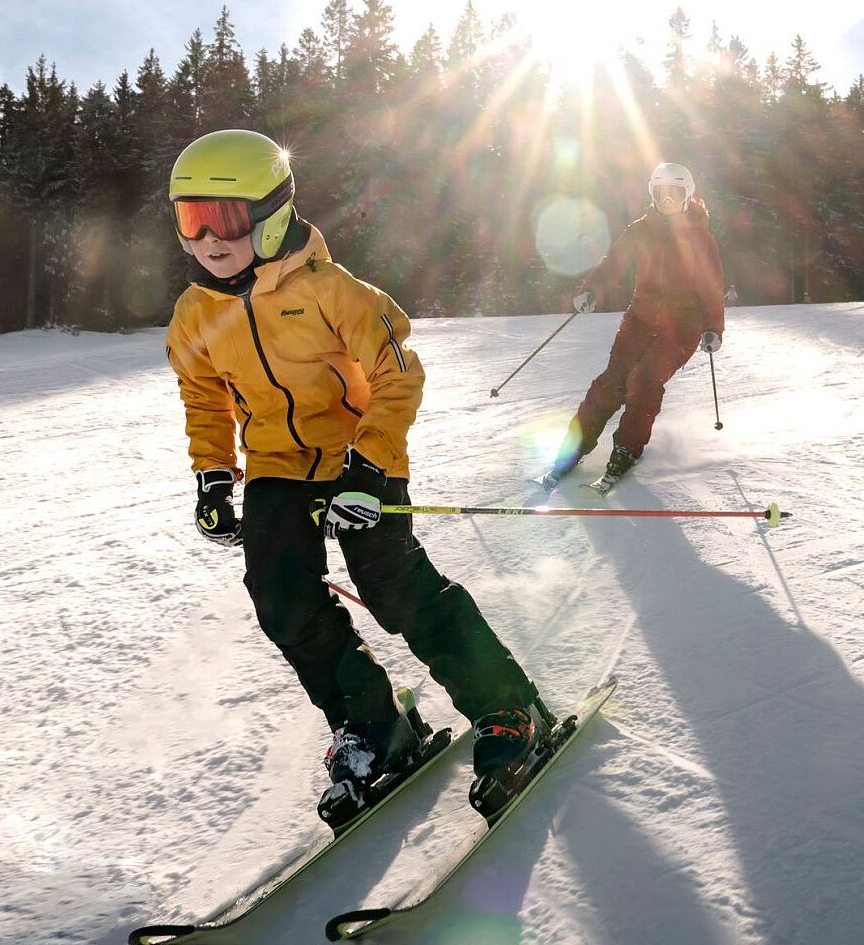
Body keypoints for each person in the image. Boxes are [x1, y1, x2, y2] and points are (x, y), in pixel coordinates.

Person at [164, 129, 543, 811]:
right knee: (281, 599)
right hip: (278, 466)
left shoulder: (334, 292)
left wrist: (368, 469)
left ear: (272, 212)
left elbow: (397, 376)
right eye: (190, 220)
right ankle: (370, 723)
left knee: (394, 587)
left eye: (222, 219)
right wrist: (213, 474)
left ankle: (507, 708)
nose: (208, 240)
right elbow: (203, 397)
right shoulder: (195, 313)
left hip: (358, 456)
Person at [544, 162, 725, 488]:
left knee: (644, 380)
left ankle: (627, 450)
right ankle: (573, 448)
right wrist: (591, 290)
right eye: (660, 195)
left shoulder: (700, 239)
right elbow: (612, 264)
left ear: (687, 197)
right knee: (612, 382)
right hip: (640, 318)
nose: (666, 202)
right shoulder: (640, 230)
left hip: (682, 326)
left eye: (674, 195)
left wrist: (714, 328)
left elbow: (711, 288)